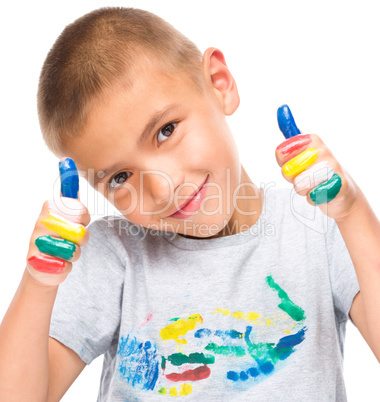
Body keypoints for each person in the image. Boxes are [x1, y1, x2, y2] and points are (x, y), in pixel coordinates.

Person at [0, 6, 379, 401]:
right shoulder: (114, 255)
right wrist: (38, 283)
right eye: (120, 177)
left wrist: (351, 213)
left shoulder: (316, 226)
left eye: (165, 131)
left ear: (219, 82)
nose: (162, 191)